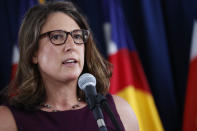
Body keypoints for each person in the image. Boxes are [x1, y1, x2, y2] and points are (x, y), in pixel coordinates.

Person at [0, 1, 139, 131]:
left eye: (78, 36)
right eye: (57, 37)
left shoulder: (120, 111)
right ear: (33, 53)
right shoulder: (6, 120)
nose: (71, 46)